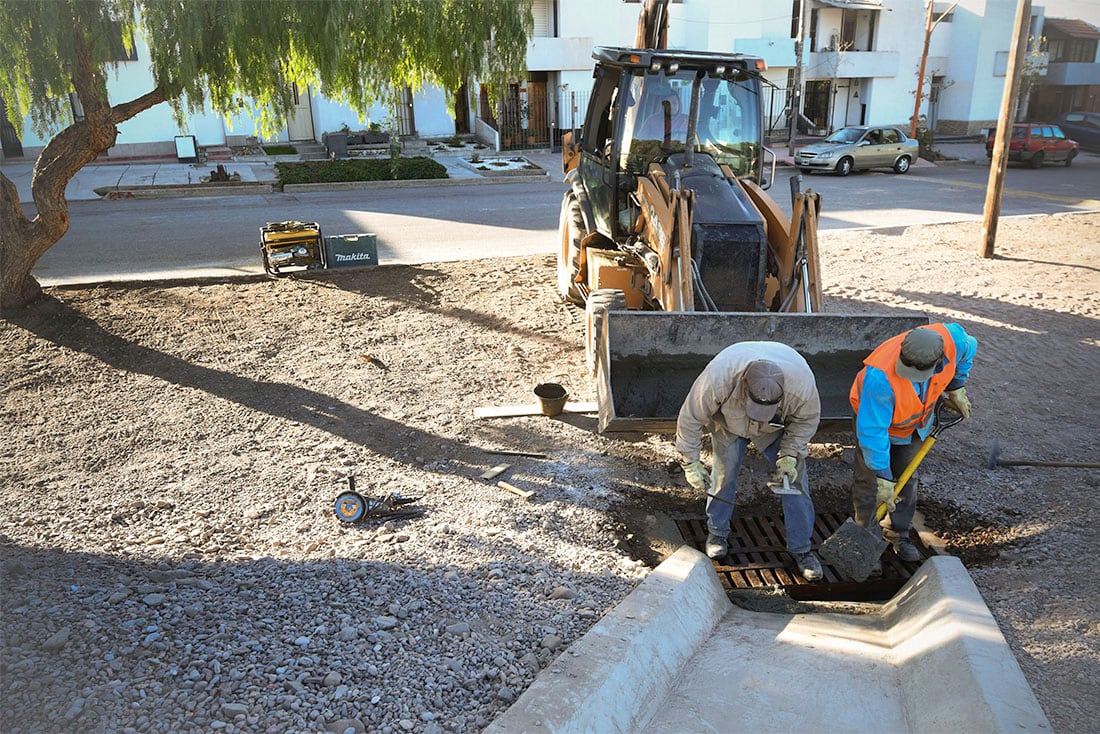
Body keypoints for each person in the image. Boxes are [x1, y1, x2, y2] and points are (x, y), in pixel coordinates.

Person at [676, 341, 823, 581]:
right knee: (724, 475)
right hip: (729, 422)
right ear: (744, 384)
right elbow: (690, 418)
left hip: (774, 428)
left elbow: (806, 422)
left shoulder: (801, 388)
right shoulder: (719, 378)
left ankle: (802, 549)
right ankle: (717, 532)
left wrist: (789, 455)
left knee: (794, 483)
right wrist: (690, 462)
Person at [849, 323, 977, 566]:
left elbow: (970, 349)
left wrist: (957, 385)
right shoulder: (879, 378)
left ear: (939, 361)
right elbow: (872, 432)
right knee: (870, 483)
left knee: (907, 478)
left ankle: (898, 532)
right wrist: (883, 476)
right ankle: (865, 539)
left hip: (918, 421)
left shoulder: (956, 342)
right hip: (877, 424)